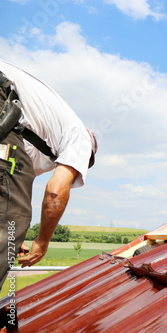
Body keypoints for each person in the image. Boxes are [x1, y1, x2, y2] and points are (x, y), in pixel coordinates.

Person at [0, 59, 97, 292]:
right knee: (14, 215)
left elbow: (7, 193)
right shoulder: (80, 136)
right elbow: (55, 192)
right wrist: (41, 243)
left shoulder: (35, 138)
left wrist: (14, 236)